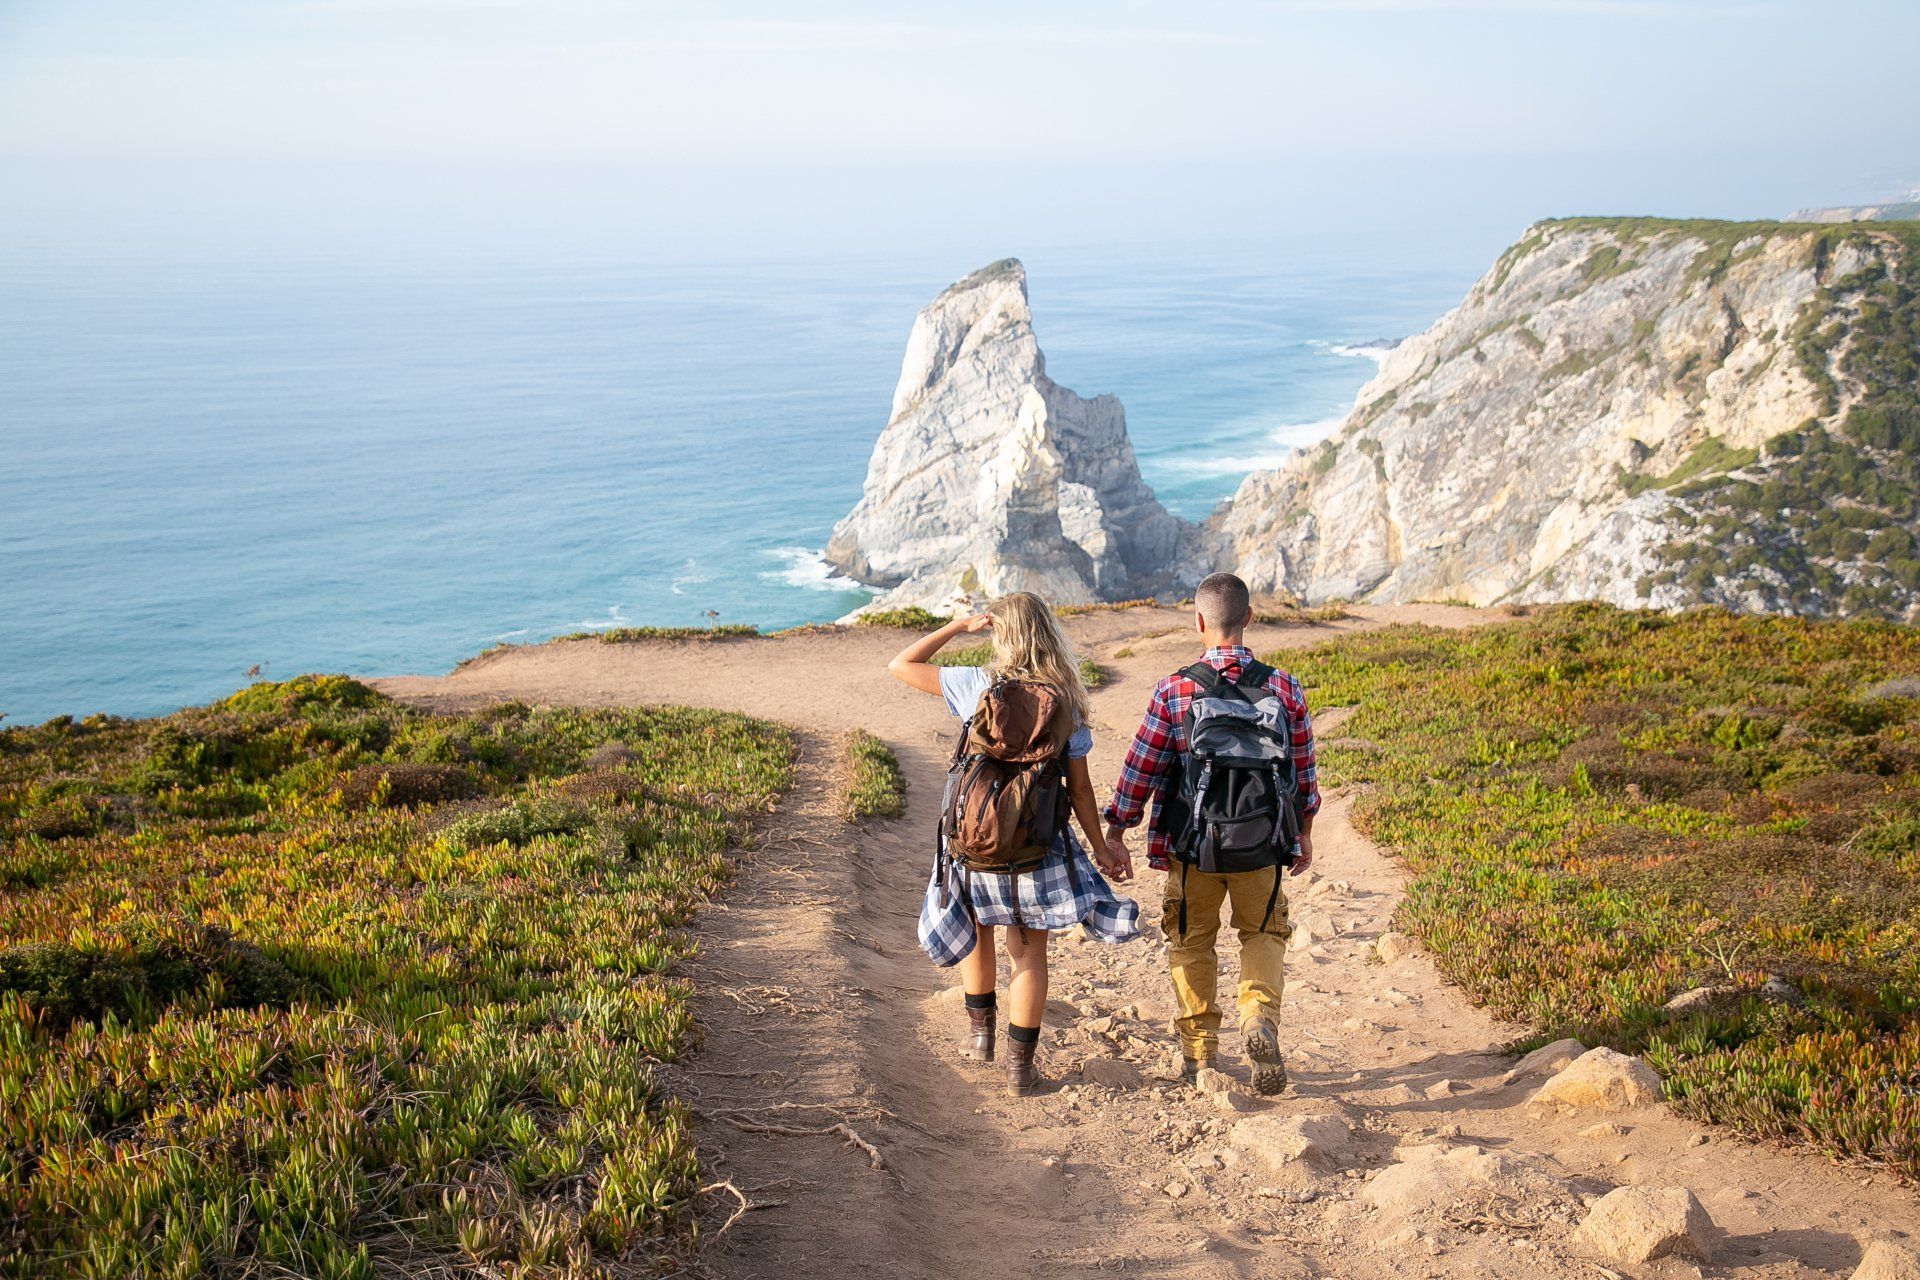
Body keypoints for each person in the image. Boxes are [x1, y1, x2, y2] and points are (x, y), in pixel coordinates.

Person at [888, 592, 1140, 1095]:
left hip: (974, 842)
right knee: (1027, 956)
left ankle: (981, 1040)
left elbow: (901, 664)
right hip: (1036, 849)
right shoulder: (1065, 699)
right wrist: (1101, 848)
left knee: (977, 934)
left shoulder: (976, 686)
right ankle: (1020, 1072)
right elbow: (1082, 791)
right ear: (1048, 634)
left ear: (1001, 636)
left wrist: (958, 626)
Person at [1102, 572, 1318, 1095]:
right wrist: (1303, 835)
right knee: (1263, 934)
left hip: (1191, 847)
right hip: (1262, 845)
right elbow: (1304, 775)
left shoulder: (1175, 689)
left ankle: (1200, 1057)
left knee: (1192, 943)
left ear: (1198, 621)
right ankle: (1258, 1018)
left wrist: (1117, 829)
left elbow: (1141, 769)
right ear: (1248, 617)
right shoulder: (1283, 687)